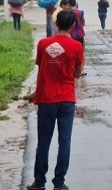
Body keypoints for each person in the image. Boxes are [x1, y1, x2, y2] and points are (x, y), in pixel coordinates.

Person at [27, 10, 84, 190]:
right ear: (73, 26)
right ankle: (59, 183)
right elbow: (77, 73)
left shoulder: (43, 44)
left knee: (43, 143)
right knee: (64, 142)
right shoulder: (76, 46)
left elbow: (40, 66)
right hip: (67, 99)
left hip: (46, 98)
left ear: (56, 24)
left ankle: (39, 182)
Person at [68, 0, 87, 76]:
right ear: (75, 4)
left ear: (69, 4)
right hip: (80, 34)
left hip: (71, 35)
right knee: (82, 52)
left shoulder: (67, 13)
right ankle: (81, 70)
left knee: (72, 53)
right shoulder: (81, 12)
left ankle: (72, 69)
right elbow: (83, 23)